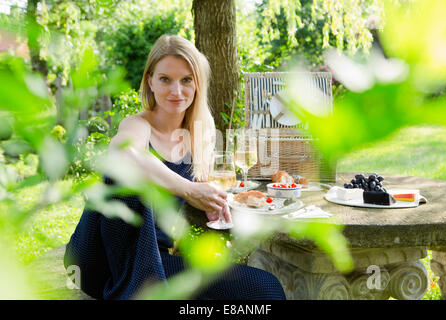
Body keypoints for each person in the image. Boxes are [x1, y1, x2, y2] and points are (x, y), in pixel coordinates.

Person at [64, 34, 286, 300]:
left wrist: (213, 205)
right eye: (165, 79)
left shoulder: (201, 136)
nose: (176, 91)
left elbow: (204, 194)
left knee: (265, 289)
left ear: (197, 84)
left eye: (186, 80)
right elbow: (125, 155)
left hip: (155, 261)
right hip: (96, 261)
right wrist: (190, 190)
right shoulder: (137, 125)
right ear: (150, 81)